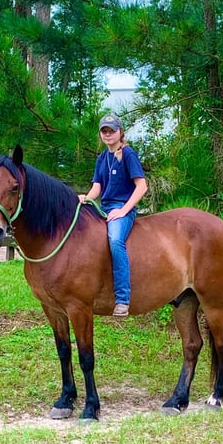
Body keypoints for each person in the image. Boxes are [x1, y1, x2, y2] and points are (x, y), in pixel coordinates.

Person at [78, 114, 148, 317]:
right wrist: (86, 200)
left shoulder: (128, 154)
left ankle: (123, 299)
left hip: (121, 208)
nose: (108, 134)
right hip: (103, 208)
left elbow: (142, 186)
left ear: (120, 132)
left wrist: (124, 210)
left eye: (111, 130)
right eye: (104, 131)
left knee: (115, 241)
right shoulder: (102, 158)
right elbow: (97, 187)